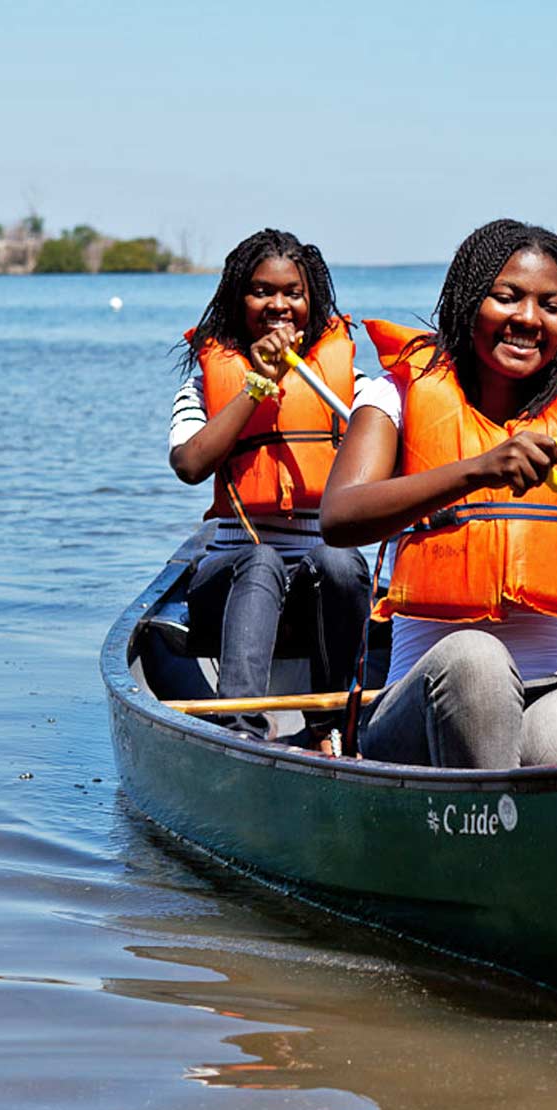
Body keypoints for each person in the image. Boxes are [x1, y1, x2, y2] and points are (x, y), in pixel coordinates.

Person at [319, 218, 557, 768]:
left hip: (555, 686)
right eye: (507, 297)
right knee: (478, 659)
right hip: (425, 700)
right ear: (469, 302)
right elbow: (339, 517)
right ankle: (499, 808)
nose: (528, 318)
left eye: (551, 305)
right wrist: (477, 471)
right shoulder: (393, 397)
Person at [169, 229, 371, 743]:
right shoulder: (204, 383)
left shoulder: (352, 385)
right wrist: (257, 386)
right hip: (228, 582)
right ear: (239, 300)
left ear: (311, 301)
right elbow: (190, 464)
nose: (279, 305)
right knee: (259, 560)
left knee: (341, 561)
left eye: (293, 293)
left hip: (313, 587)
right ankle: (240, 728)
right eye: (262, 291)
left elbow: (399, 457)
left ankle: (332, 726)